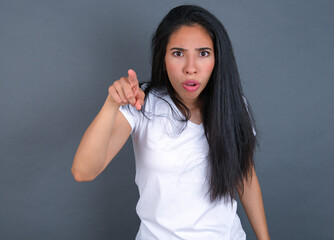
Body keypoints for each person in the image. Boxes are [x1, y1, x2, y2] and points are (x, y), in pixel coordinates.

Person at [71, 5, 270, 240]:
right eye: (178, 53)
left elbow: (245, 177)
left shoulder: (233, 105)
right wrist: (112, 103)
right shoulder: (141, 104)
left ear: (217, 58)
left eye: (203, 53)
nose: (190, 68)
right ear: (163, 57)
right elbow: (83, 171)